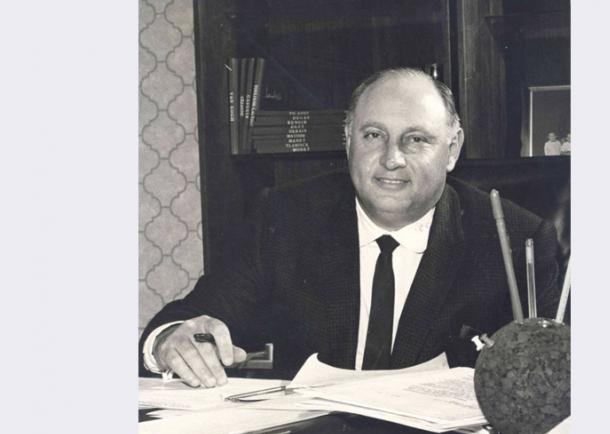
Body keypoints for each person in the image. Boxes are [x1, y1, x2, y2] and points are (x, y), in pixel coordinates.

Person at [140, 67, 562, 386]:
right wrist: (168, 341)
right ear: (347, 141)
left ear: (451, 150)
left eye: (417, 139)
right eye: (374, 135)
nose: (392, 158)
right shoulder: (285, 218)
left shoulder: (515, 241)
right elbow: (188, 318)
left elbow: (550, 386)